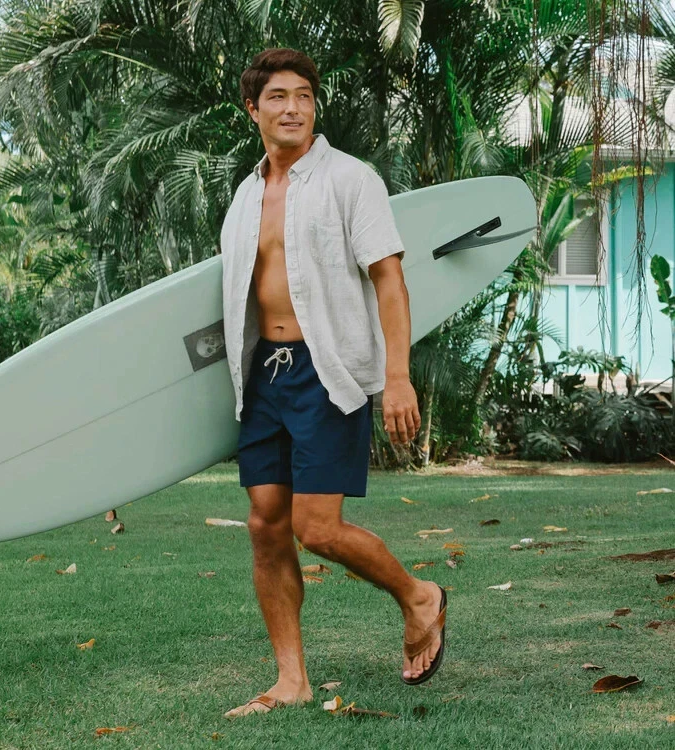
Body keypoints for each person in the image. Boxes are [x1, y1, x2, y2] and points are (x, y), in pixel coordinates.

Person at [220, 48, 447, 718]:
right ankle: (291, 679)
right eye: (278, 97)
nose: (293, 108)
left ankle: (419, 596)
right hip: (263, 375)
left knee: (316, 528)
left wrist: (397, 377)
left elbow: (389, 279)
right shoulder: (244, 196)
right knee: (266, 525)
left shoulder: (351, 179)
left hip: (327, 370)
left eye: (304, 96)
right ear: (253, 109)